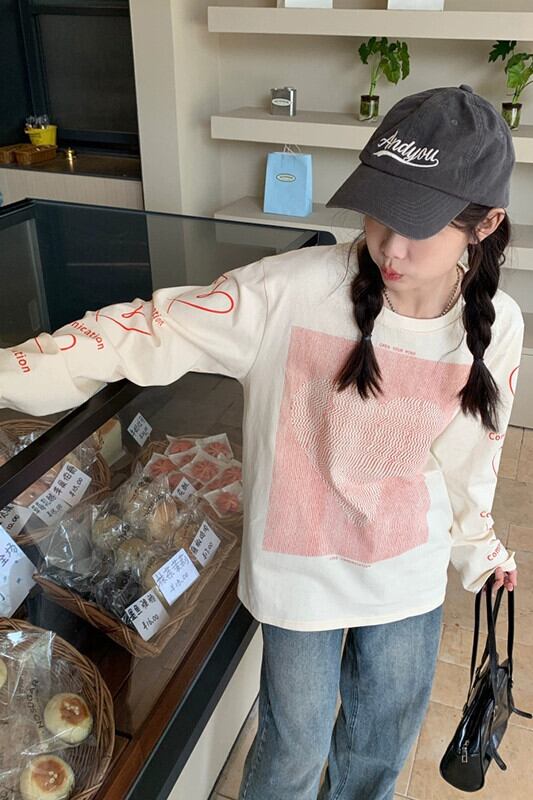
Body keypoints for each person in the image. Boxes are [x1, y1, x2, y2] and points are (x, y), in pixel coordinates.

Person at [0, 84, 522, 799]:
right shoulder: (289, 290)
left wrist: (478, 547)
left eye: (420, 226)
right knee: (291, 754)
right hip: (298, 576)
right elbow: (151, 329)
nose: (391, 247)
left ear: (485, 224)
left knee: (379, 750)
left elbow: (470, 455)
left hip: (406, 570)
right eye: (379, 213)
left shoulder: (497, 323)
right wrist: (12, 371)